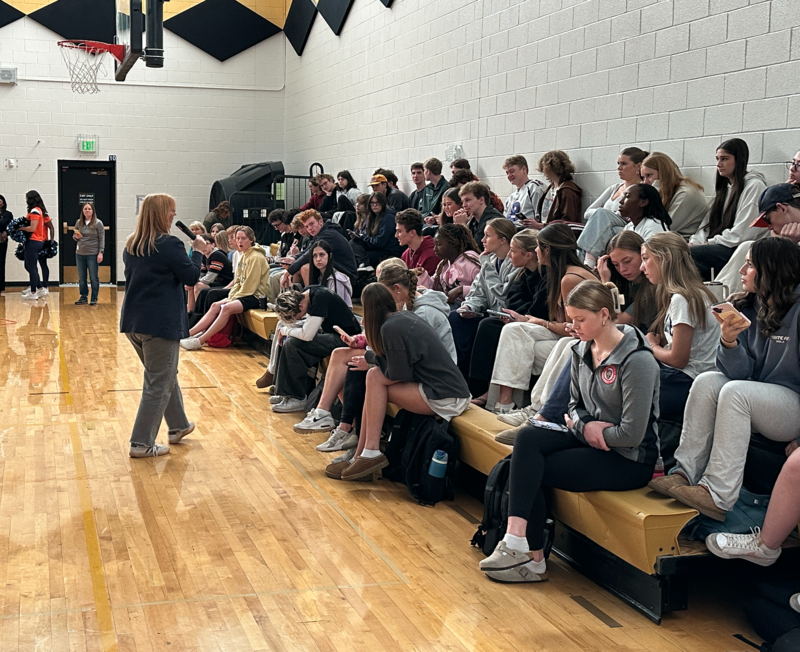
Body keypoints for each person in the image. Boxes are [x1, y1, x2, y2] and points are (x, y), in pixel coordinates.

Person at [479, 282, 659, 584]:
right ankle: (516, 542)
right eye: (570, 319)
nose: (572, 327)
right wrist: (587, 426)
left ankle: (532, 558)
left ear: (604, 315)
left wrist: (589, 429)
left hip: (629, 459)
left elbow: (632, 434)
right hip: (588, 437)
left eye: (579, 320)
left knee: (526, 467)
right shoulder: (580, 349)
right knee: (527, 439)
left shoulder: (638, 360)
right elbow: (573, 405)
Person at [649, 237, 800, 521]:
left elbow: (740, 385)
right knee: (707, 381)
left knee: (735, 392)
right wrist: (729, 343)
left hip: (793, 404)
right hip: (762, 396)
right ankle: (684, 473)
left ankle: (717, 494)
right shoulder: (750, 306)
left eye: (750, 265)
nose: (742, 270)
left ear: (773, 269)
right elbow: (739, 373)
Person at [331, 283, 471, 481]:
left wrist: (371, 361)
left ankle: (368, 452)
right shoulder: (400, 319)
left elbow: (399, 373)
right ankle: (362, 454)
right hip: (443, 388)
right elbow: (395, 364)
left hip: (446, 395)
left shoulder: (391, 328)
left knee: (375, 379)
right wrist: (372, 360)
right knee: (374, 378)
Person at [120, 193, 206, 457]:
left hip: (134, 322)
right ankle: (141, 443)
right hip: (160, 324)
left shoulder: (131, 245)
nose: (174, 216)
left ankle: (178, 425)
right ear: (160, 213)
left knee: (164, 375)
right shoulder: (170, 245)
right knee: (159, 381)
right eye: (171, 211)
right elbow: (191, 277)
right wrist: (198, 252)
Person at [487, 223, 596, 413]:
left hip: (583, 342)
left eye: (538, 246)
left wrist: (541, 322)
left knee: (522, 348)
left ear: (548, 249)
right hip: (568, 336)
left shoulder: (570, 278)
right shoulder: (559, 273)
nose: (536, 250)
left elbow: (572, 330)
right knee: (514, 331)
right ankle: (505, 404)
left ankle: (534, 409)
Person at [639, 232, 719, 425]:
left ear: (665, 258)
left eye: (646, 258)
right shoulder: (690, 293)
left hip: (686, 381)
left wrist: (652, 346)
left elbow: (678, 359)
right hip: (683, 377)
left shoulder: (682, 298)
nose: (642, 267)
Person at [469, 229, 548, 401]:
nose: (510, 255)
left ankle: (498, 396)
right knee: (488, 324)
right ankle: (479, 386)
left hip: (540, 323)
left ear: (528, 255)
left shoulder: (546, 276)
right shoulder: (521, 273)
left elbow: (541, 309)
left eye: (513, 251)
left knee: (495, 328)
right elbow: (511, 300)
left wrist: (521, 315)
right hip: (521, 318)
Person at [270, 287, 362, 413]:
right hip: (333, 334)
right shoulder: (309, 293)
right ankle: (286, 392)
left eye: (296, 316)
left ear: (300, 306)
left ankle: (297, 397)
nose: (297, 319)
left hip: (346, 340)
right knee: (291, 341)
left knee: (293, 344)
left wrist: (285, 331)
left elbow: (307, 335)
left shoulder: (320, 298)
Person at [448, 218, 520, 378]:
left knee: (485, 326)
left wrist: (486, 265)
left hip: (505, 317)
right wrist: (469, 307)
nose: (482, 240)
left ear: (503, 240)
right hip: (488, 313)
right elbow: (477, 293)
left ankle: (476, 382)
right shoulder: (491, 260)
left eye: (488, 236)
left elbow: (502, 298)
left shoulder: (515, 262)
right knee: (455, 317)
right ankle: (459, 373)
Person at [689, 138, 767, 280]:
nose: (719, 164)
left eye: (724, 159)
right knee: (674, 250)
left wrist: (707, 244)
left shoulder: (754, 186)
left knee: (688, 255)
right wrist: (695, 242)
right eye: (717, 159)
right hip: (722, 244)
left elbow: (743, 234)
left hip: (737, 250)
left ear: (739, 160)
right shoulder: (725, 188)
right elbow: (706, 225)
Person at [180, 226, 269, 350]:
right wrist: (232, 295)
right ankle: (188, 334)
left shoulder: (256, 257)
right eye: (238, 238)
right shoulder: (244, 255)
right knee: (215, 305)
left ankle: (201, 340)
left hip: (256, 296)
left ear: (251, 240)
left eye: (243, 238)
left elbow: (250, 286)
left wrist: (232, 298)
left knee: (226, 307)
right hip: (244, 294)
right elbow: (238, 281)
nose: (240, 241)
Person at [578, 147, 649, 266]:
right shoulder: (614, 188)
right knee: (603, 221)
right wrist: (607, 215)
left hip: (626, 225)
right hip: (610, 227)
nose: (619, 168)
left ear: (638, 166)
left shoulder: (643, 189)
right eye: (618, 164)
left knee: (602, 216)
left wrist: (605, 214)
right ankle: (587, 262)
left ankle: (584, 261)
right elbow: (587, 212)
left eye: (624, 164)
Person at [578, 183, 671, 266]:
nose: (621, 201)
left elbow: (653, 262)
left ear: (643, 202)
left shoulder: (654, 226)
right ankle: (585, 265)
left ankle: (586, 266)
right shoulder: (629, 226)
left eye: (627, 197)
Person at [640, 152, 707, 239]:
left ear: (663, 173)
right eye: (643, 177)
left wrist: (654, 192)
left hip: (683, 242)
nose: (645, 182)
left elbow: (663, 228)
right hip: (667, 240)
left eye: (649, 175)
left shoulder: (686, 193)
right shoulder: (669, 191)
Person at [283, 209, 358, 288]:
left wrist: (289, 271)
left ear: (320, 222)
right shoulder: (320, 234)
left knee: (306, 268)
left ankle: (312, 296)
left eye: (312, 224)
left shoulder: (328, 235)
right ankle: (296, 296)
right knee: (297, 269)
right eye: (307, 226)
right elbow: (307, 250)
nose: (310, 228)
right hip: (332, 269)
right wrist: (293, 259)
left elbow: (309, 255)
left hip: (346, 275)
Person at [426, 223, 481, 303]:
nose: (435, 249)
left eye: (439, 245)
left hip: (469, 306)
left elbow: (485, 289)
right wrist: (422, 275)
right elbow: (434, 286)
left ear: (453, 243)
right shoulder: (443, 264)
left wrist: (462, 289)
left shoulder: (472, 263)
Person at [349, 192, 401, 269]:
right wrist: (359, 237)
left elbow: (379, 242)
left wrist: (363, 237)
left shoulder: (388, 218)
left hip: (388, 250)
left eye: (377, 203)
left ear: (383, 203)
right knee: (353, 243)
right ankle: (364, 264)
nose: (374, 205)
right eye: (372, 203)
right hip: (377, 246)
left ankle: (364, 264)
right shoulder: (373, 216)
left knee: (356, 258)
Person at [189, 232, 234, 313]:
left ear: (213, 245)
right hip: (216, 282)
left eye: (206, 244)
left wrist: (195, 281)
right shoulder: (204, 256)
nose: (203, 247)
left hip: (225, 283)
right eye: (201, 244)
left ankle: (199, 314)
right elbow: (202, 274)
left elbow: (209, 278)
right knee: (191, 286)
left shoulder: (217, 255)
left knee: (198, 286)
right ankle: (190, 312)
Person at [19, 190, 53, 300]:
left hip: (34, 241)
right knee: (30, 266)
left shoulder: (35, 211)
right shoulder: (39, 211)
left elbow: (32, 228)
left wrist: (19, 228)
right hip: (38, 242)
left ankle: (34, 292)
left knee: (32, 267)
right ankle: (39, 287)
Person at [536, 150, 583, 224]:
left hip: (555, 233)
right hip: (545, 230)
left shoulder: (567, 192)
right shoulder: (549, 189)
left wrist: (542, 226)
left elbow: (568, 222)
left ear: (553, 168)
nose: (543, 172)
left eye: (544, 168)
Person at [73, 202, 105, 306]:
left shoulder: (98, 223)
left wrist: (100, 252)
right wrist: (75, 237)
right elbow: (74, 236)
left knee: (93, 277)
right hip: (80, 253)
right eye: (85, 209)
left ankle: (94, 298)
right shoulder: (79, 222)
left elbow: (101, 239)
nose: (87, 210)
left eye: (89, 209)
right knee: (82, 277)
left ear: (93, 211)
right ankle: (83, 296)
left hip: (92, 253)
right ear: (82, 210)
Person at [456, 181, 504, 250]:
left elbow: (477, 249)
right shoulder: (474, 220)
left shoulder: (492, 219)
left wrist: (462, 226)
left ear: (481, 200)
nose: (464, 205)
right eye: (462, 202)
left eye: (468, 200)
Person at [503, 154, 545, 228]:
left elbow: (543, 218)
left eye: (512, 171)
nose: (509, 175)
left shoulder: (534, 188)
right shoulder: (511, 197)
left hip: (527, 234)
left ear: (524, 169)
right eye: (507, 173)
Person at [308, 240, 353, 307]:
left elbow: (338, 307)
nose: (318, 259)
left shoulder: (337, 279)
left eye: (322, 255)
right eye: (315, 255)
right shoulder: (319, 277)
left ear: (330, 256)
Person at [395, 208, 439, 277]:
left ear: (412, 233)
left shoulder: (432, 254)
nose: (396, 235)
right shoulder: (405, 254)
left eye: (399, 231)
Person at [0, 194, 11, 294]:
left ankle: (1, 286)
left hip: (2, 241)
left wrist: (6, 232)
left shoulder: (8, 214)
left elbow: (12, 226)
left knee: (1, 262)